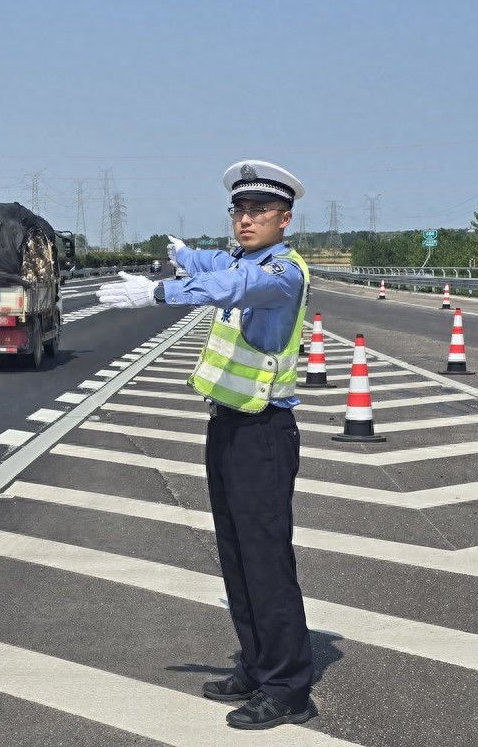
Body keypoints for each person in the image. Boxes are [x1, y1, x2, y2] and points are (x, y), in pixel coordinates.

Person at [97, 159, 315, 730]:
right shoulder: (240, 257)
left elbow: (230, 285)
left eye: (259, 211)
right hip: (227, 424)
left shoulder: (280, 273)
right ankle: (257, 662)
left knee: (266, 561)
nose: (246, 219)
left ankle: (289, 687)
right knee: (237, 556)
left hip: (263, 432)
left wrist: (158, 290)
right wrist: (185, 254)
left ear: (284, 220)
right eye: (239, 210)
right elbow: (214, 264)